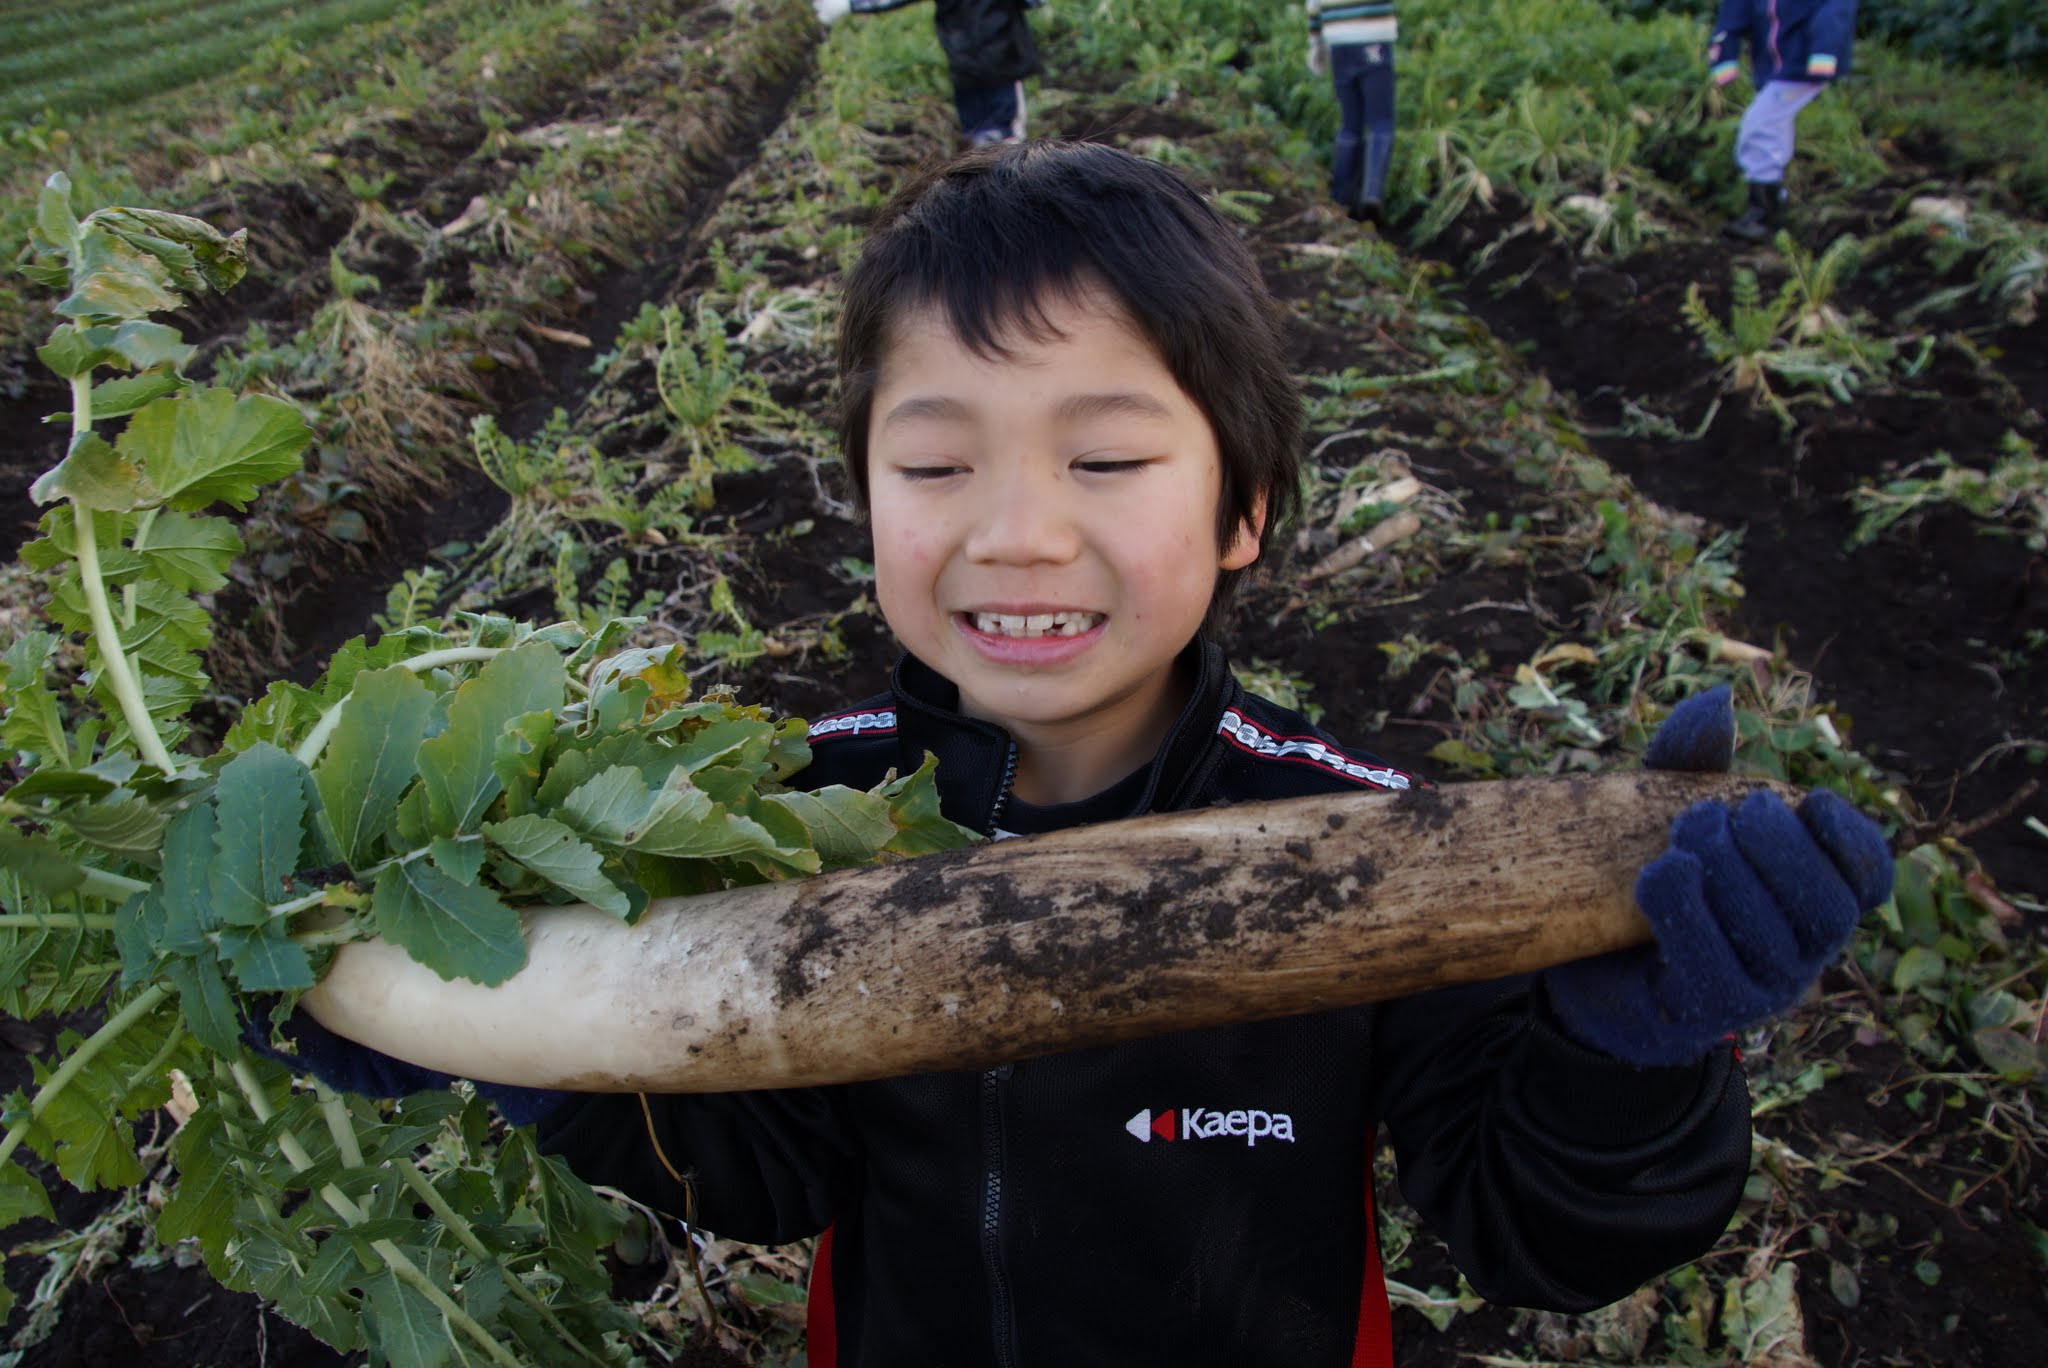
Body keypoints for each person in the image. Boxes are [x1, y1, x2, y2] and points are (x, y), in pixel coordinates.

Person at [292, 142, 1894, 1366]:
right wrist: (505, 1039)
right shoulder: (786, 816)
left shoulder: (1375, 848)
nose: (1019, 532)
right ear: (864, 498)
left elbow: (1550, 1241)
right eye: (935, 461)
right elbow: (763, 1171)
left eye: (1109, 455)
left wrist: (1629, 1056)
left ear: (1244, 511)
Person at [1707, 0, 1859, 242]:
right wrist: (1724, 50)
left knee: (1760, 125)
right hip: (1773, 67)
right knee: (1773, 125)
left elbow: (1835, 10)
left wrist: (1824, 51)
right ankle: (1772, 204)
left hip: (1802, 64)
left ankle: (1763, 214)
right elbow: (1736, 11)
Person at [813, 0, 1042, 147]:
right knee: (979, 140)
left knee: (1006, 140)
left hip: (999, 61)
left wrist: (851, 5)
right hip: (966, 63)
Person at [1306, 1, 1398, 224]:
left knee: (1350, 123)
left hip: (1338, 41)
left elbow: (1313, 6)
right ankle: (1372, 195)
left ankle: (1341, 199)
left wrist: (1315, 42)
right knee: (1381, 122)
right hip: (1372, 36)